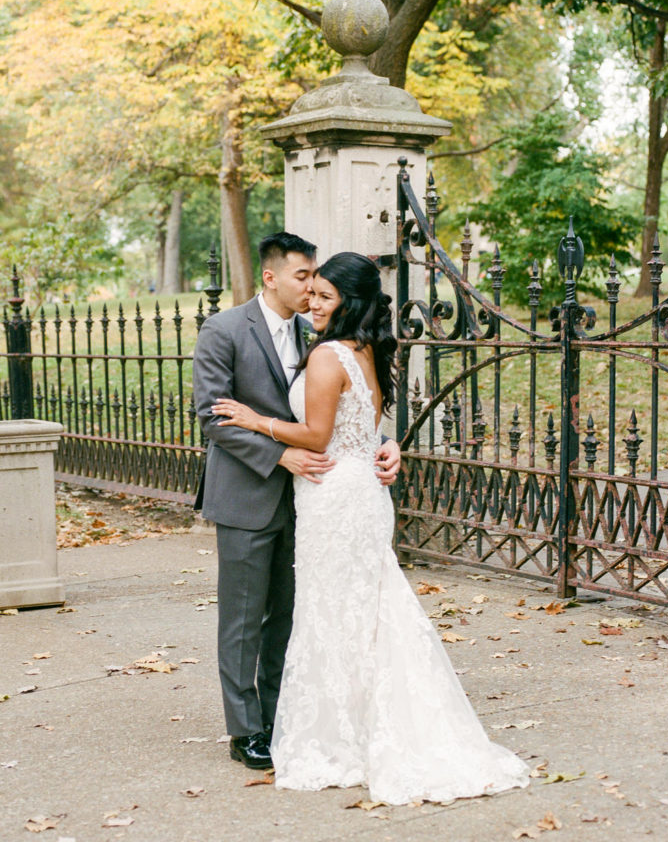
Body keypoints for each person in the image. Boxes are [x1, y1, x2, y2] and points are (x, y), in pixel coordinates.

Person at [212, 252, 529, 805]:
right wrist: (379, 444)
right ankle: (339, 726)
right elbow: (365, 423)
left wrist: (256, 418)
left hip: (333, 494)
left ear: (348, 302)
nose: (312, 298)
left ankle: (344, 736)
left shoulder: (330, 354)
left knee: (330, 612)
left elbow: (318, 434)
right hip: (353, 491)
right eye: (309, 288)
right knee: (364, 611)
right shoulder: (366, 351)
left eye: (324, 293)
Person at [192, 233, 400, 772]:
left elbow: (343, 413)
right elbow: (214, 415)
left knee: (290, 615)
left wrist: (384, 443)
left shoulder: (326, 334)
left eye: (317, 280)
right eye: (303, 278)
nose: (311, 290)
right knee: (242, 619)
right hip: (250, 493)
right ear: (271, 277)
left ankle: (282, 716)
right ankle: (246, 732)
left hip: (317, 500)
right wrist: (279, 456)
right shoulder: (225, 329)